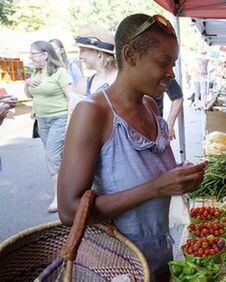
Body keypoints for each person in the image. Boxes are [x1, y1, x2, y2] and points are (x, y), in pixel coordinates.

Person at [57, 14, 205, 279]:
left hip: (160, 256)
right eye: (164, 63)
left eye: (173, 63)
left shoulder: (149, 106)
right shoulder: (93, 113)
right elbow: (69, 210)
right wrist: (157, 187)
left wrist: (180, 177)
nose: (171, 73)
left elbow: (154, 175)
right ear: (130, 55)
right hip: (119, 267)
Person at [24, 41, 73, 213]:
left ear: (45, 55)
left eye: (33, 53)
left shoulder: (60, 73)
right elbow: (30, 94)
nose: (31, 57)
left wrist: (69, 121)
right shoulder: (35, 73)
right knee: (57, 157)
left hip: (58, 119)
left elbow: (71, 97)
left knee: (52, 157)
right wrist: (27, 83)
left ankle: (60, 198)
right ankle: (73, 190)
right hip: (42, 121)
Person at [74, 25, 118, 98]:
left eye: (82, 50)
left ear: (98, 53)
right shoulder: (84, 85)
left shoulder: (125, 80)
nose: (80, 56)